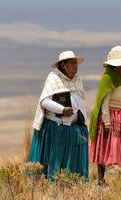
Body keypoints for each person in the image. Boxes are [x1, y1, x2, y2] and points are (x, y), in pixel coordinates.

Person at [28, 51, 89, 181]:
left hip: (74, 128)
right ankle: (53, 185)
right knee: (55, 161)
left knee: (72, 164)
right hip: (57, 128)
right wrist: (62, 110)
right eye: (71, 63)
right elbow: (44, 101)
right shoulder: (54, 78)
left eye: (75, 63)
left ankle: (72, 184)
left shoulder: (77, 80)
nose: (75, 66)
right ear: (63, 65)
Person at [89, 45, 121, 185]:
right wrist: (107, 122)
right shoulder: (107, 78)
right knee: (104, 148)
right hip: (110, 116)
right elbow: (104, 101)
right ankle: (101, 179)